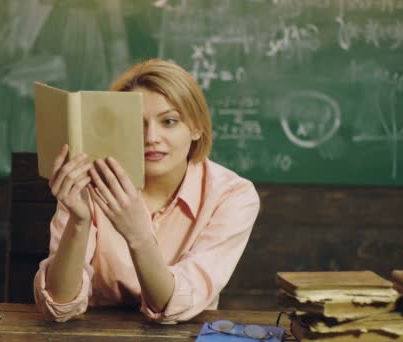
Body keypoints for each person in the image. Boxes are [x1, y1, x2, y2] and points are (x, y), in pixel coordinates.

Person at [33, 59, 260, 324]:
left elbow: (172, 305)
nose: (151, 137)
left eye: (169, 121)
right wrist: (79, 221)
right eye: (137, 124)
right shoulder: (87, 183)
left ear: (197, 127)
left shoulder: (232, 196)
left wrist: (138, 234)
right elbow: (58, 305)